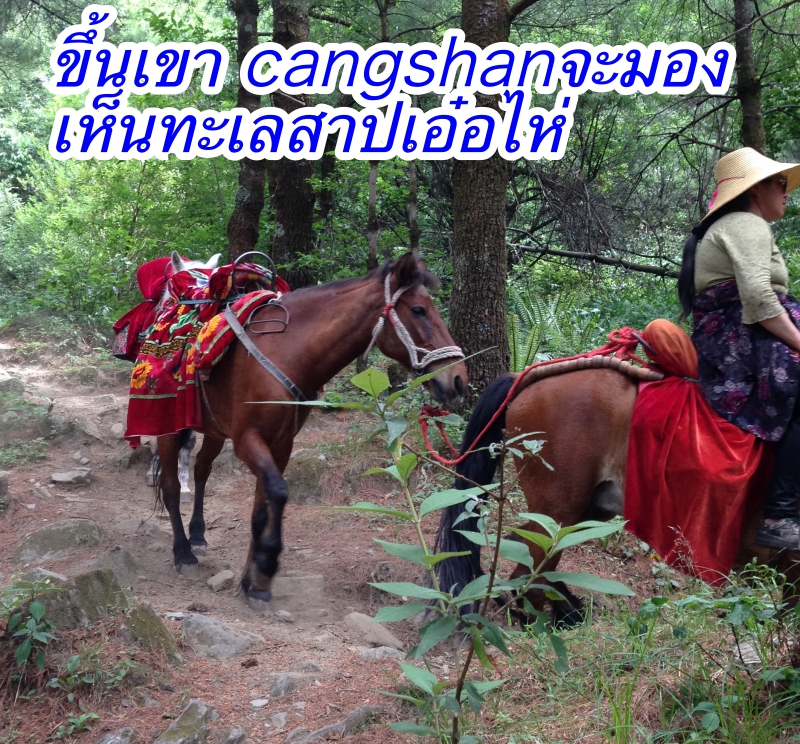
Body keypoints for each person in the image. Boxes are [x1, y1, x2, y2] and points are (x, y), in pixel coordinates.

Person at [677, 147, 800, 550]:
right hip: (741, 336)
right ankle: (779, 515)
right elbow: (760, 300)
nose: (786, 191)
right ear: (756, 189)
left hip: (743, 331)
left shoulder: (741, 224)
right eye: (780, 183)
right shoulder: (747, 223)